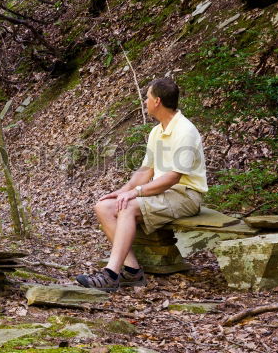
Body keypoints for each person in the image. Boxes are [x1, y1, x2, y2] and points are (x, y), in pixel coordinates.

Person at [77, 77, 208, 291]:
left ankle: (110, 274)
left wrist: (136, 193)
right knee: (104, 207)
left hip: (186, 195)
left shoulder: (185, 131)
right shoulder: (157, 131)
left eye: (147, 97)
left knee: (127, 207)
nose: (144, 102)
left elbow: (173, 177)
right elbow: (146, 170)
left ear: (157, 101)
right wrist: (120, 191)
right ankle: (133, 271)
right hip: (161, 193)